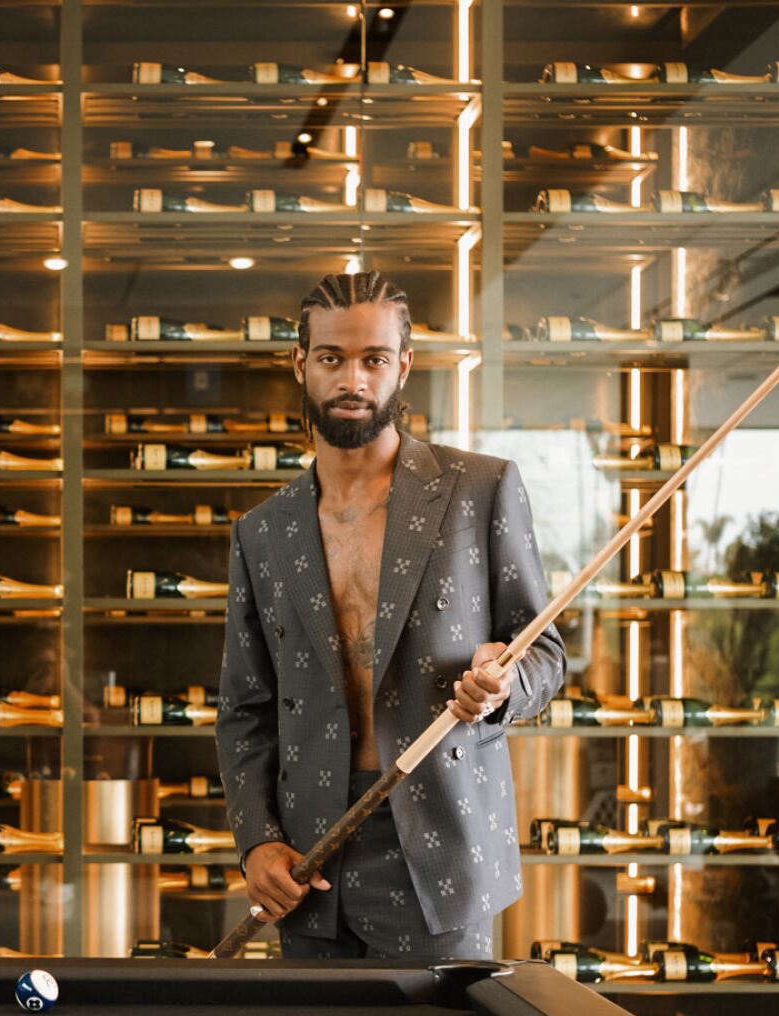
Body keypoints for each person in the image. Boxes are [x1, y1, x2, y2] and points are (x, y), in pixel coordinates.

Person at [216, 271, 565, 960]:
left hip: (444, 856)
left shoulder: (480, 490)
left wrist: (501, 688)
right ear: (300, 364)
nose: (353, 378)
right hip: (309, 865)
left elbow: (546, 655)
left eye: (373, 359)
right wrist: (256, 839)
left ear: (403, 366)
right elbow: (243, 710)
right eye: (331, 358)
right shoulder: (262, 532)